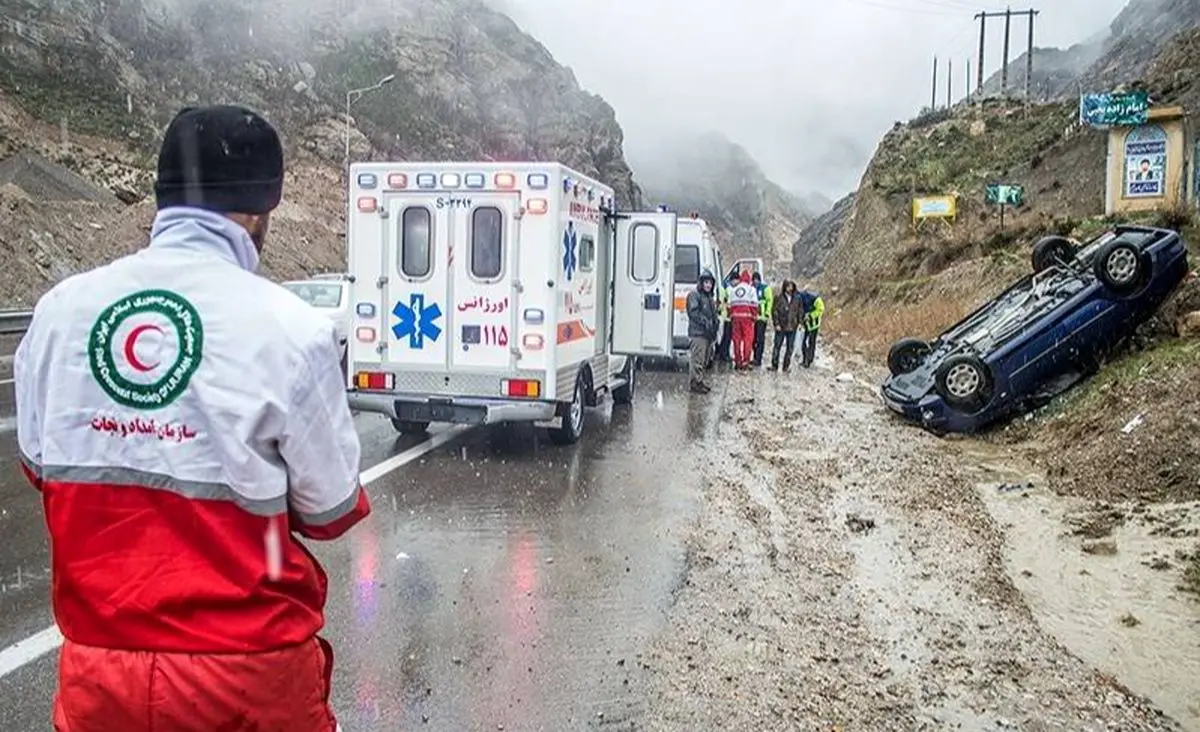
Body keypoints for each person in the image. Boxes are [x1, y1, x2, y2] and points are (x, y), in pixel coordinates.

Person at [14, 105, 369, 732]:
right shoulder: (293, 332)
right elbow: (331, 509)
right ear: (262, 211)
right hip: (248, 679)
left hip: (100, 676)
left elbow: (42, 468)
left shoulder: (58, 313)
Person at [685, 268, 719, 392]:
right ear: (701, 283)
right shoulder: (695, 295)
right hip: (698, 333)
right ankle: (695, 383)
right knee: (697, 359)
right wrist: (705, 322)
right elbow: (693, 313)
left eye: (710, 283)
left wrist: (715, 324)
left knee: (704, 360)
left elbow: (713, 314)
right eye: (706, 282)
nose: (708, 285)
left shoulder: (709, 297)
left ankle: (699, 381)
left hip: (707, 334)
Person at [769, 279, 804, 372]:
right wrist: (776, 323)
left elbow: (800, 311)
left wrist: (800, 322)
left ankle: (786, 366)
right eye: (788, 286)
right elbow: (774, 311)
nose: (790, 288)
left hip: (792, 326)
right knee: (777, 346)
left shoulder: (797, 298)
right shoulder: (778, 297)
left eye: (791, 286)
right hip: (781, 326)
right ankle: (774, 365)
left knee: (790, 348)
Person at [728, 269, 760, 370]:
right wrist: (754, 316)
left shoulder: (734, 289)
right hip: (747, 318)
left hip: (735, 318)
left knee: (736, 340)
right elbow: (754, 304)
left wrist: (731, 315)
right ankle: (745, 361)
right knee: (748, 340)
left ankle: (738, 361)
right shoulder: (751, 289)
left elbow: (730, 305)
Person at [798, 286, 826, 368]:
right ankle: (805, 359)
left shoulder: (815, 298)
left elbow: (821, 309)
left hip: (814, 324)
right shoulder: (799, 299)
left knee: (811, 342)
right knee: (803, 342)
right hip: (805, 324)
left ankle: (809, 360)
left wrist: (810, 316)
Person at [751, 271, 773, 367]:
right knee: (753, 339)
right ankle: (755, 356)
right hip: (753, 318)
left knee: (760, 339)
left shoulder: (765, 288)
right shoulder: (751, 288)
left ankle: (758, 358)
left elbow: (769, 301)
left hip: (762, 318)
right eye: (754, 279)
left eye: (757, 279)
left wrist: (768, 313)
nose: (755, 281)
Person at [715, 276, 733, 363]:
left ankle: (719, 354)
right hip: (725, 317)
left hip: (723, 317)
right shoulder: (727, 289)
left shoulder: (722, 288)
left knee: (721, 336)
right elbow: (726, 303)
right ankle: (723, 354)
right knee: (725, 337)